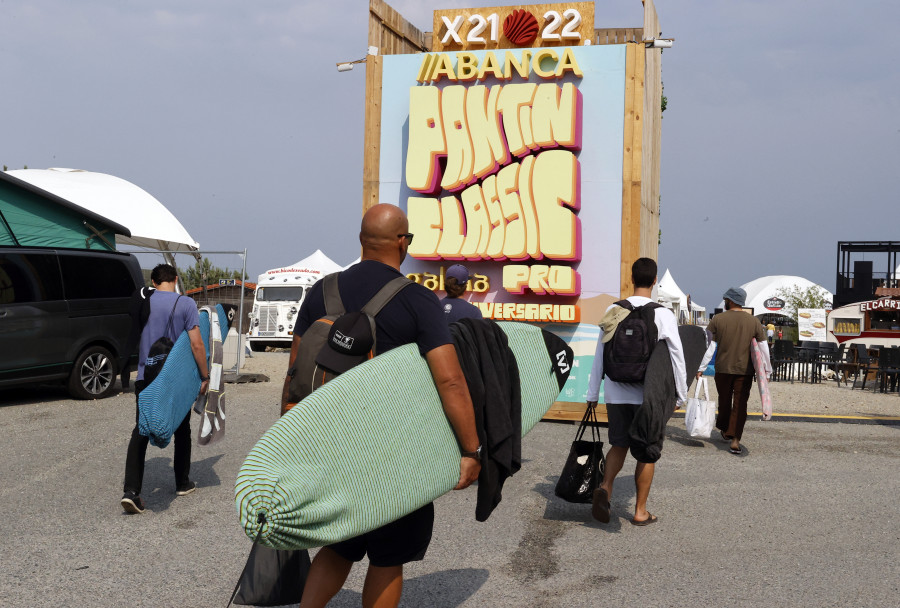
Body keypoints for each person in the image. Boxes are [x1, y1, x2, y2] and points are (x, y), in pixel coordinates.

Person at [286, 204, 481, 608]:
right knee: (389, 557)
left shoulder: (322, 291)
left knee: (340, 544)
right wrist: (469, 448)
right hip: (395, 453)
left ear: (361, 240)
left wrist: (291, 444)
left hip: (332, 447)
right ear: (402, 242)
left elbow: (296, 374)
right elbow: (449, 379)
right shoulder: (417, 299)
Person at [585, 258, 687, 526]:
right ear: (655, 281)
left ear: (632, 278)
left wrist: (593, 393)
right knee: (647, 450)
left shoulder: (613, 310)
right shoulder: (663, 314)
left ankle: (605, 488)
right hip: (648, 395)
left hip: (616, 392)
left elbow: (600, 354)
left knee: (619, 444)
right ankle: (640, 511)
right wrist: (680, 394)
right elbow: (677, 357)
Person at [121, 264, 209, 514]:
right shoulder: (186, 304)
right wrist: (205, 376)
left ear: (153, 281)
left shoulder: (144, 301)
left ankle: (132, 492)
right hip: (174, 378)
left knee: (142, 428)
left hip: (146, 376)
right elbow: (196, 345)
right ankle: (182, 482)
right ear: (175, 279)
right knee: (182, 428)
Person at [696, 287, 769, 455]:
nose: (725, 302)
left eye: (726, 299)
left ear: (731, 301)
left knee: (724, 400)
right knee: (740, 404)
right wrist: (767, 370)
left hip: (722, 368)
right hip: (745, 370)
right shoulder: (753, 322)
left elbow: (709, 347)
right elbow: (763, 348)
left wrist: (701, 367)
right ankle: (735, 438)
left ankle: (724, 428)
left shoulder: (718, 320)